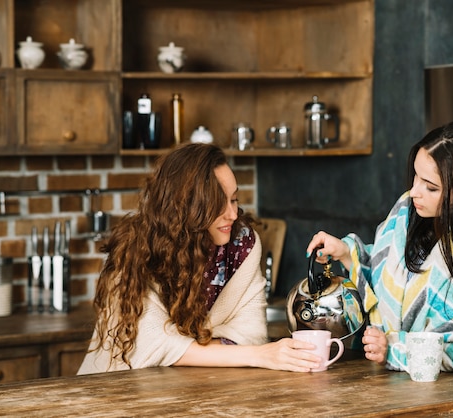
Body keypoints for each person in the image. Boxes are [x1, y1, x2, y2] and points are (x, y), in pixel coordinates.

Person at [306, 121, 453, 381]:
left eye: (431, 187)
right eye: (416, 177)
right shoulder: (407, 213)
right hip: (392, 387)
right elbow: (391, 278)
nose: (415, 192)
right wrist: (345, 252)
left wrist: (398, 349)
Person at [78, 143, 320, 374]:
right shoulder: (134, 249)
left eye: (234, 199)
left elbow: (252, 335)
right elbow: (152, 346)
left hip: (200, 390)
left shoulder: (243, 245)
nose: (233, 214)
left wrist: (183, 347)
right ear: (185, 207)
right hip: (115, 391)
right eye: (217, 204)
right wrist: (259, 355)